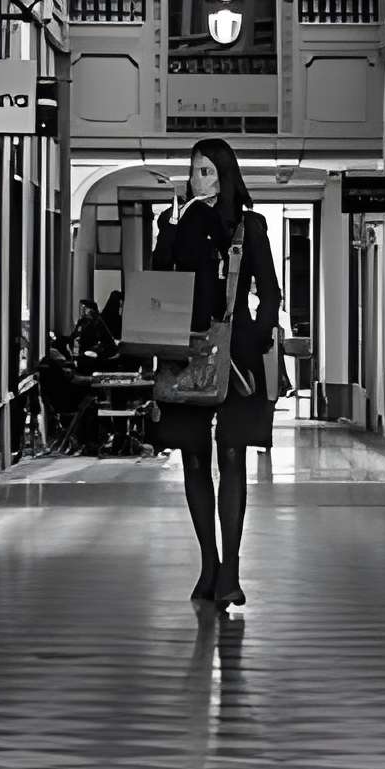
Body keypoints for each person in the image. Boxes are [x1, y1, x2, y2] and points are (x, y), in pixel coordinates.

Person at [147, 137, 282, 608]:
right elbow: (158, 282)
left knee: (231, 457)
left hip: (238, 357)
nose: (198, 180)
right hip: (184, 353)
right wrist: (172, 228)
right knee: (194, 459)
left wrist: (250, 338)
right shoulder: (174, 222)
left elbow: (270, 292)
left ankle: (231, 571)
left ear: (226, 176)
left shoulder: (250, 226)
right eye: (194, 170)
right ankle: (208, 563)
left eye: (208, 171)